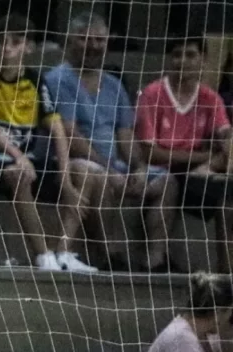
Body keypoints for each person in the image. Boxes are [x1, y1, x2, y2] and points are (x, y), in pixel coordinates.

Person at [0, 14, 98, 273]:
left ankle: (64, 252)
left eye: (15, 42)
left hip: (24, 160)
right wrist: (19, 156)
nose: (6, 47)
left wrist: (66, 182)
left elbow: (58, 129)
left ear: (28, 47)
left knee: (86, 172)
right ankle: (43, 256)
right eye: (1, 41)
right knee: (21, 173)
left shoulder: (36, 80)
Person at [45, 12, 176, 272]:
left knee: (167, 181)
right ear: (69, 41)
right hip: (74, 162)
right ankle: (110, 254)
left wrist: (138, 167)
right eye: (84, 39)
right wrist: (110, 168)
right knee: (99, 175)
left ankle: (155, 260)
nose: (93, 46)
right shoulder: (57, 79)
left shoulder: (114, 85)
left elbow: (125, 134)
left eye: (99, 40)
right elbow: (70, 135)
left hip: (114, 166)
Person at [136, 37, 233, 273]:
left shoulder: (211, 98)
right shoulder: (152, 94)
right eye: (177, 54)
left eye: (190, 55)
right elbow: (151, 154)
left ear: (203, 60)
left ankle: (226, 272)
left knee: (227, 196)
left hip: (195, 176)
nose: (182, 61)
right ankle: (154, 262)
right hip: (159, 171)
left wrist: (219, 158)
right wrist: (204, 159)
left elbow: (226, 136)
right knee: (168, 182)